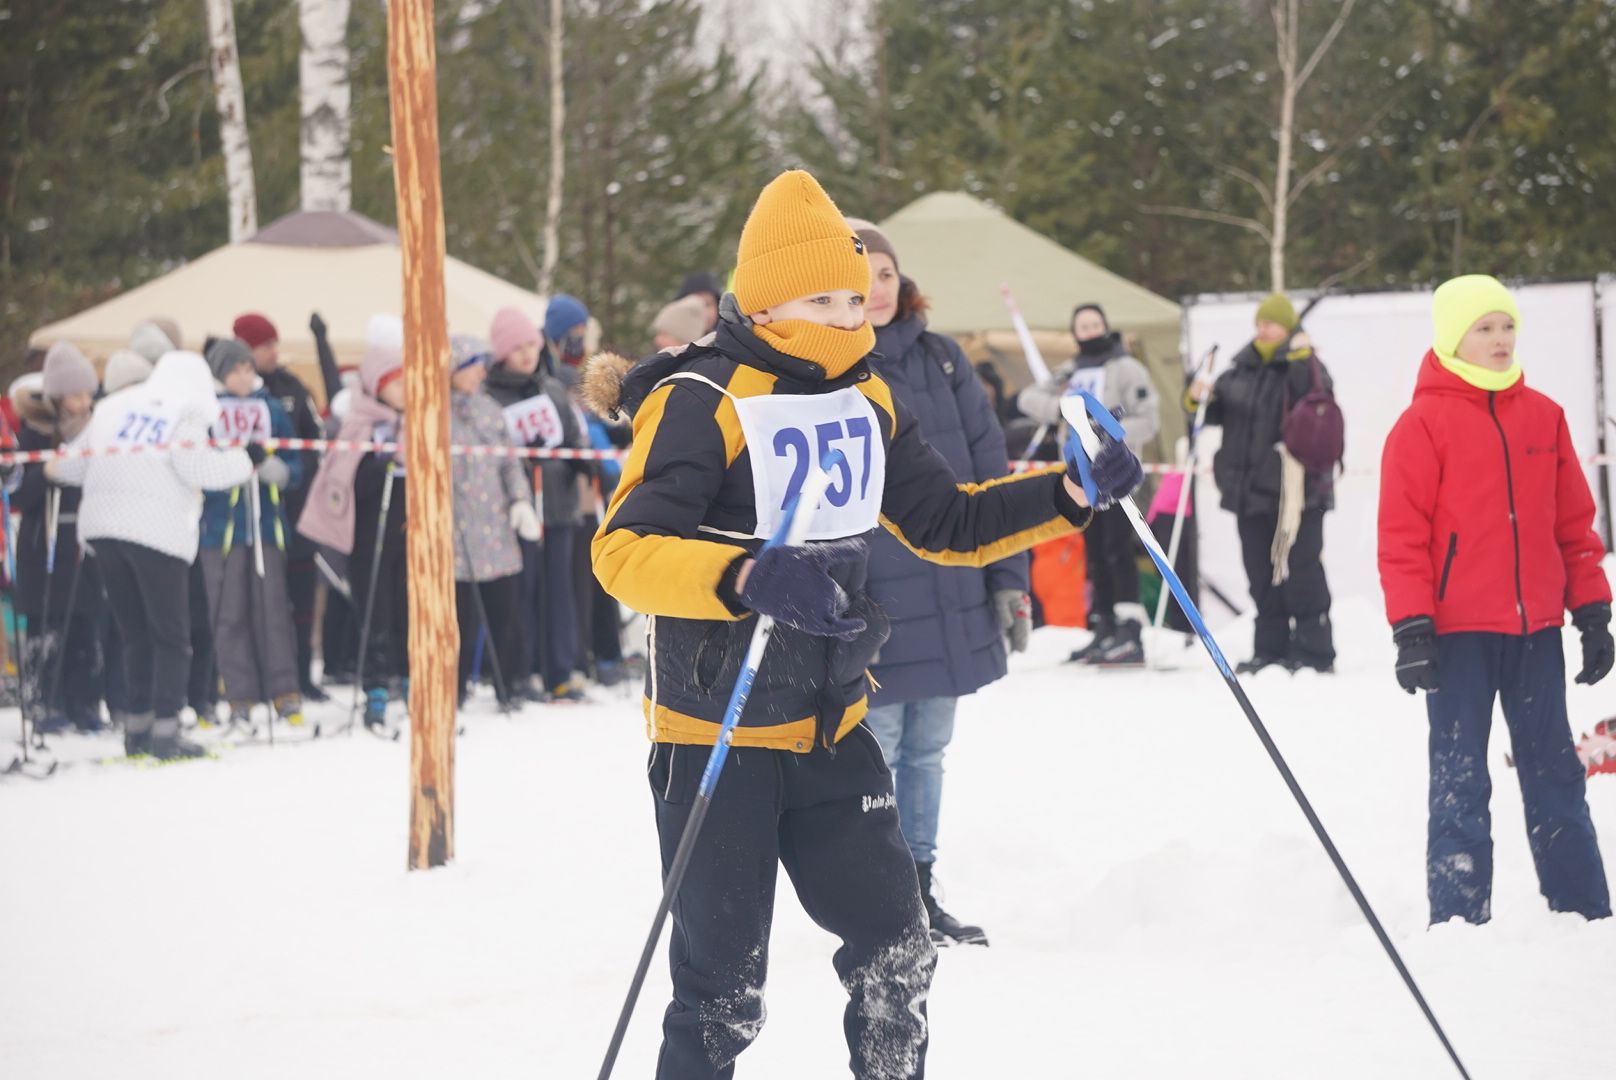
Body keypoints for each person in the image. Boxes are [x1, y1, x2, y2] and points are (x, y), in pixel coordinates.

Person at [584, 169, 1141, 1078]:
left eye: (857, 296)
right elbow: (623, 550)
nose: (850, 317)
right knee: (721, 992)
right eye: (824, 299)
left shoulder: (867, 394)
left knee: (897, 949)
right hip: (716, 732)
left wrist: (1071, 493)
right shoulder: (704, 398)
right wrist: (745, 574)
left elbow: (946, 522)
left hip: (832, 726)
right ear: (766, 303)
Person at [1379, 274, 1612, 925]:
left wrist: (1592, 612)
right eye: (1484, 328)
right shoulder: (1422, 424)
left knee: (1556, 777)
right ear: (1455, 337)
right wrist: (1412, 628)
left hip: (1536, 631)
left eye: (1506, 326)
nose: (1500, 339)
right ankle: (1458, 920)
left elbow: (1573, 526)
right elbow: (1401, 536)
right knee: (1461, 782)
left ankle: (1585, 912)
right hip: (1457, 637)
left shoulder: (1544, 416)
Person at [847, 217, 1027, 947]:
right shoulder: (834, 365)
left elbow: (991, 474)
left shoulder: (946, 359)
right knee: (879, 749)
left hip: (954, 590)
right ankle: (880, 900)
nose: (875, 289)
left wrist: (1007, 579)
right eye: (859, 278)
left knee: (928, 751)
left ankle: (920, 891)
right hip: (880, 597)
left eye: (885, 273)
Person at [49, 351, 253, 758]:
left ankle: (137, 728)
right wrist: (242, 462)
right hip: (156, 530)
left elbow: (71, 467)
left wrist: (47, 470)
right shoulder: (185, 409)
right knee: (171, 636)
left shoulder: (111, 408)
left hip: (103, 529)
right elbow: (196, 467)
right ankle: (166, 731)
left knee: (135, 633)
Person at [1189, 292, 1336, 673]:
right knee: (1260, 574)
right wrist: (1196, 398)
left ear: (1288, 326)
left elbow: (1319, 399)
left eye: (1271, 323)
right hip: (1248, 490)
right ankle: (1269, 649)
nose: (1263, 329)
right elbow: (1213, 413)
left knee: (1303, 569)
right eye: (1259, 323)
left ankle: (1314, 651)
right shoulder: (1239, 369)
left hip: (1299, 491)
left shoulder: (1307, 364)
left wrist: (1302, 358)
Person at [1019, 304, 1161, 665]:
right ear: (1075, 332)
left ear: (1106, 326)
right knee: (1095, 552)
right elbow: (1028, 398)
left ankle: (1130, 630)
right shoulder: (1069, 370)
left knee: (1118, 550)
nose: (1091, 329)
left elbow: (1149, 418)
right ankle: (1104, 625)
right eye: (1083, 325)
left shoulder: (1126, 367)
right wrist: (1063, 408)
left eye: (1096, 323)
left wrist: (1113, 438)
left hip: (1116, 473)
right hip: (1082, 474)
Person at [299, 332, 408, 731]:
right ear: (378, 384)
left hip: (406, 535)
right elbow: (343, 481)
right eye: (396, 382)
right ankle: (376, 690)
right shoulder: (359, 422)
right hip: (368, 540)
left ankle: (413, 685)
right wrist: (376, 465)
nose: (404, 390)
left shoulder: (414, 423)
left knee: (406, 612)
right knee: (375, 615)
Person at [198, 338, 305, 731]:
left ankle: (284, 690)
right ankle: (238, 693)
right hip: (220, 529)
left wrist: (274, 466)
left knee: (273, 609)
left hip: (265, 525)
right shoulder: (206, 409)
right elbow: (196, 462)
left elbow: (295, 463)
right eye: (235, 370)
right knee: (228, 613)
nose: (243, 377)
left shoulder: (271, 407)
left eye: (248, 368)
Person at [485, 305, 589, 702]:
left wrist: (577, 463)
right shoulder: (491, 396)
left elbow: (573, 438)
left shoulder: (551, 389)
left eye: (532, 344)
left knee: (558, 589)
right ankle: (521, 668)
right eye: (518, 348)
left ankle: (559, 670)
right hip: (518, 511)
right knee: (521, 590)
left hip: (558, 504)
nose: (528, 354)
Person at [233, 313, 327, 702]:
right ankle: (254, 680)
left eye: (274, 344)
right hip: (252, 514)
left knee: (301, 597)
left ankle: (301, 674)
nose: (274, 351)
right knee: (256, 600)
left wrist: (292, 472)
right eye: (264, 345)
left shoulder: (291, 387)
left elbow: (314, 442)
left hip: (295, 507)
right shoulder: (231, 395)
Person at [11, 344, 105, 733]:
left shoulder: (98, 430)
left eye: (87, 394)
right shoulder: (34, 433)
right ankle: (43, 703)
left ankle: (83, 703)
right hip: (43, 541)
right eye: (75, 395)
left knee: (84, 626)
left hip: (82, 541)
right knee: (45, 627)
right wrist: (46, 472)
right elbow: (16, 493)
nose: (83, 403)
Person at [446, 334, 539, 707]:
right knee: (459, 617)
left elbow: (510, 461)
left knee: (505, 612)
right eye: (471, 367)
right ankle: (453, 688)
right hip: (455, 530)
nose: (479, 374)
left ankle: (509, 683)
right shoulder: (435, 412)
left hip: (495, 526)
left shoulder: (490, 409)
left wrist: (521, 501)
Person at [675, 270, 723, 334]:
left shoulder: (729, 339)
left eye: (707, 304)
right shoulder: (669, 340)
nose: (702, 310)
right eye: (695, 304)